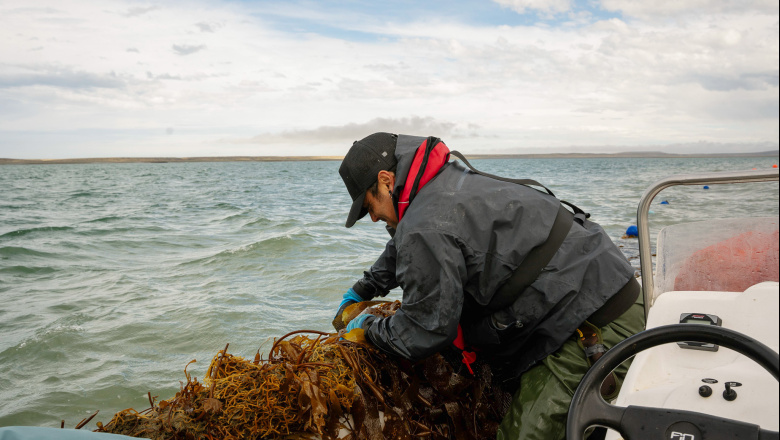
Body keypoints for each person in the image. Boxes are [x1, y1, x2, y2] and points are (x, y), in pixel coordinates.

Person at [335, 132, 645, 439]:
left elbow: (425, 329)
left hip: (596, 324)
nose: (372, 218)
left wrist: (369, 328)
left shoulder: (425, 222)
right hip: (606, 290)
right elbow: (410, 244)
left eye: (369, 204)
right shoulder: (446, 180)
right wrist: (364, 288)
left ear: (387, 180)